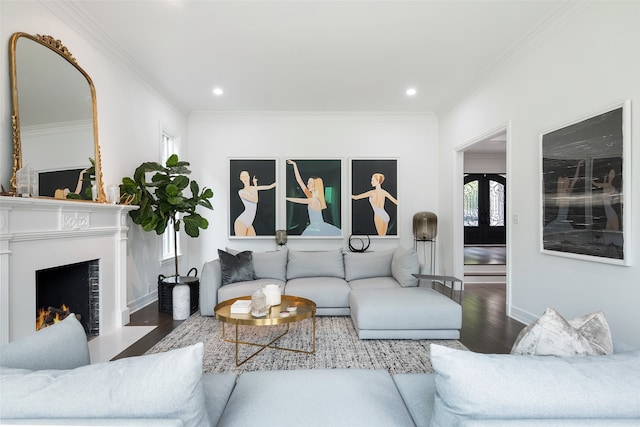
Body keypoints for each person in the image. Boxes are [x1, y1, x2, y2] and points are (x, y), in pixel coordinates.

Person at [285, 160, 341, 236]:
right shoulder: (311, 196)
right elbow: (300, 181)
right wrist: (294, 165)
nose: (308, 185)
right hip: (315, 226)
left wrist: (285, 198)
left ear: (316, 185)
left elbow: (299, 200)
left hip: (318, 228)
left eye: (310, 183)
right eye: (308, 183)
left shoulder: (314, 200)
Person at [545, 159, 583, 232]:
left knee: (561, 219)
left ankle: (549, 230)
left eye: (567, 181)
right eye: (566, 181)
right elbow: (559, 189)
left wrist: (578, 165)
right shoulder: (562, 184)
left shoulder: (568, 189)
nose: (567, 182)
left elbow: (575, 178)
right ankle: (547, 230)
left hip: (564, 203)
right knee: (561, 219)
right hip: (562, 203)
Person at [234, 170, 275, 236]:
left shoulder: (253, 188)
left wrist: (280, 181)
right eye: (242, 176)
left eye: (246, 176)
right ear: (240, 179)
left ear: (249, 177)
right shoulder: (241, 192)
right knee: (241, 244)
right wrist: (255, 186)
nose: (244, 178)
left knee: (253, 244)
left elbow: (269, 186)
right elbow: (255, 200)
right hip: (241, 222)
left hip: (249, 223)